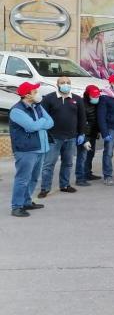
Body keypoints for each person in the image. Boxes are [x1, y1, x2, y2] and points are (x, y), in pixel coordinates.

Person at [9, 82, 53, 217]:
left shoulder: (37, 106)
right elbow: (32, 127)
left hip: (40, 148)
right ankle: (16, 206)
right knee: (22, 179)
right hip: (26, 150)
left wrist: (38, 124)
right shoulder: (17, 110)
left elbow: (51, 122)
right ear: (27, 95)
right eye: (35, 91)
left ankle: (26, 201)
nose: (38, 93)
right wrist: (40, 123)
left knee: (33, 178)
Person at [39, 76, 86, 197]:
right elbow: (43, 117)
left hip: (71, 137)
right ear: (57, 84)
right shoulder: (49, 98)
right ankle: (45, 188)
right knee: (49, 164)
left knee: (68, 163)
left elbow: (82, 118)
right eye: (63, 82)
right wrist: (45, 134)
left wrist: (81, 133)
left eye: (68, 82)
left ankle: (65, 185)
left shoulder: (77, 99)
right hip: (54, 137)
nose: (66, 84)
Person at [75, 85, 101, 186]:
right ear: (87, 94)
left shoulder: (97, 103)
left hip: (93, 133)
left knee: (90, 154)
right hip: (84, 134)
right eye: (93, 96)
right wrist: (84, 137)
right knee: (82, 156)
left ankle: (87, 173)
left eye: (97, 96)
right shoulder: (81, 104)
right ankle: (80, 178)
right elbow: (80, 122)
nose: (96, 98)